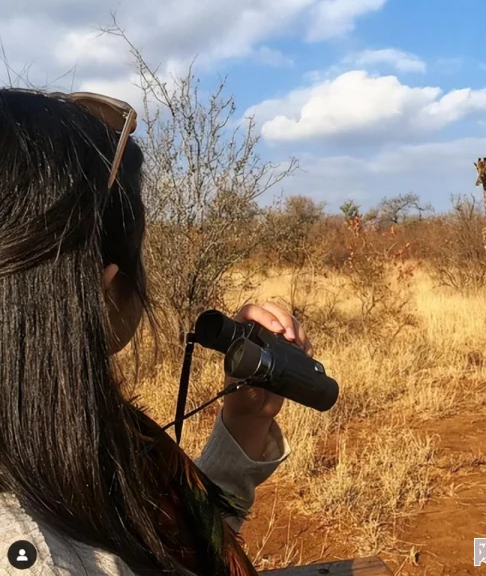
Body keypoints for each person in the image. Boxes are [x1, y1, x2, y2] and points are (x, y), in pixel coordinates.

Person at [0, 88, 313, 575]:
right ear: (102, 289)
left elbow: (175, 545)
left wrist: (245, 422)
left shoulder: (64, 443)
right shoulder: (37, 550)